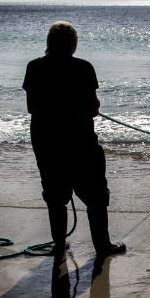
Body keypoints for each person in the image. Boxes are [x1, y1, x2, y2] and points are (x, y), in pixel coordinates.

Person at [23, 21, 126, 260]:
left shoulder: (34, 67)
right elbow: (93, 108)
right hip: (80, 141)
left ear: (49, 43)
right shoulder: (83, 68)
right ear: (73, 45)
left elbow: (31, 108)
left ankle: (59, 244)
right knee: (96, 195)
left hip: (46, 140)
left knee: (55, 195)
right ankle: (102, 245)